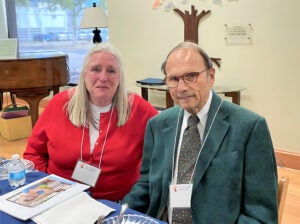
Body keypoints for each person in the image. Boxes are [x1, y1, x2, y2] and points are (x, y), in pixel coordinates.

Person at [122, 41, 278, 223]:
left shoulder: (250, 127)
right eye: (173, 79)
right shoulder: (158, 125)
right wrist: (121, 213)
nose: (181, 87)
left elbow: (260, 215)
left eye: (191, 76)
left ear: (211, 76)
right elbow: (148, 183)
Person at [23, 42, 158, 201]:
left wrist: (137, 198)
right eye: (95, 69)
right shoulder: (59, 105)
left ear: (120, 78)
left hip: (117, 203)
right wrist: (44, 189)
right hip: (59, 197)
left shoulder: (138, 109)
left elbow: (164, 147)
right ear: (84, 75)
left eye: (111, 71)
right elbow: (33, 153)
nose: (103, 77)